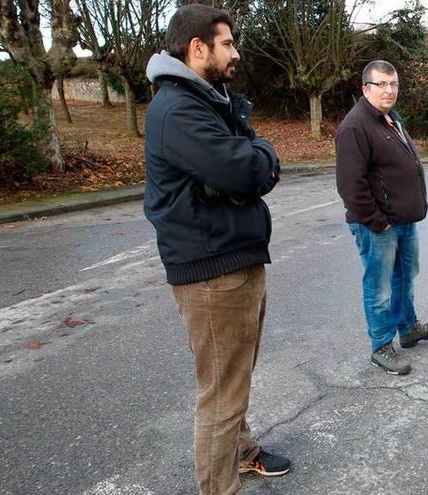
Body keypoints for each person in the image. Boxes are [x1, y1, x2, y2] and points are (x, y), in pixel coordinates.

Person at [143, 4, 289, 494]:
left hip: (233, 259)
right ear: (197, 48)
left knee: (235, 376)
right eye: (227, 43)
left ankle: (243, 451)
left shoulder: (209, 100)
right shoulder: (179, 109)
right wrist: (262, 156)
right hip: (211, 274)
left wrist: (256, 154)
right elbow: (247, 169)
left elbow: (247, 158)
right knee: (221, 396)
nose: (236, 52)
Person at [335, 60, 428, 376]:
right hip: (378, 225)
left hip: (402, 221)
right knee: (379, 287)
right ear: (365, 88)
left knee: (403, 277)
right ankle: (381, 346)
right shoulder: (355, 126)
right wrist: (377, 220)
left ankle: (407, 329)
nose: (389, 90)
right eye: (381, 84)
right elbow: (350, 185)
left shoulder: (388, 118)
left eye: (393, 84)